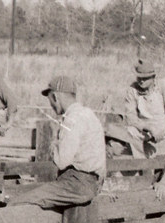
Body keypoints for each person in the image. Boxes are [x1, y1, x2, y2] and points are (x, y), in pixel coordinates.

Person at [8, 76, 106, 210]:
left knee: (16, 203)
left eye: (50, 100)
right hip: (90, 183)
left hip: (76, 184)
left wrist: (54, 145)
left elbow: (62, 161)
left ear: (55, 97)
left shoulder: (71, 120)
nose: (51, 106)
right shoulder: (89, 114)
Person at [123, 59, 165, 157]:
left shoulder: (163, 86)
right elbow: (130, 117)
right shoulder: (132, 90)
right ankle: (142, 162)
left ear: (153, 77)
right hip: (146, 133)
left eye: (145, 78)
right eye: (139, 78)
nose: (141, 81)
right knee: (130, 130)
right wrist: (148, 128)